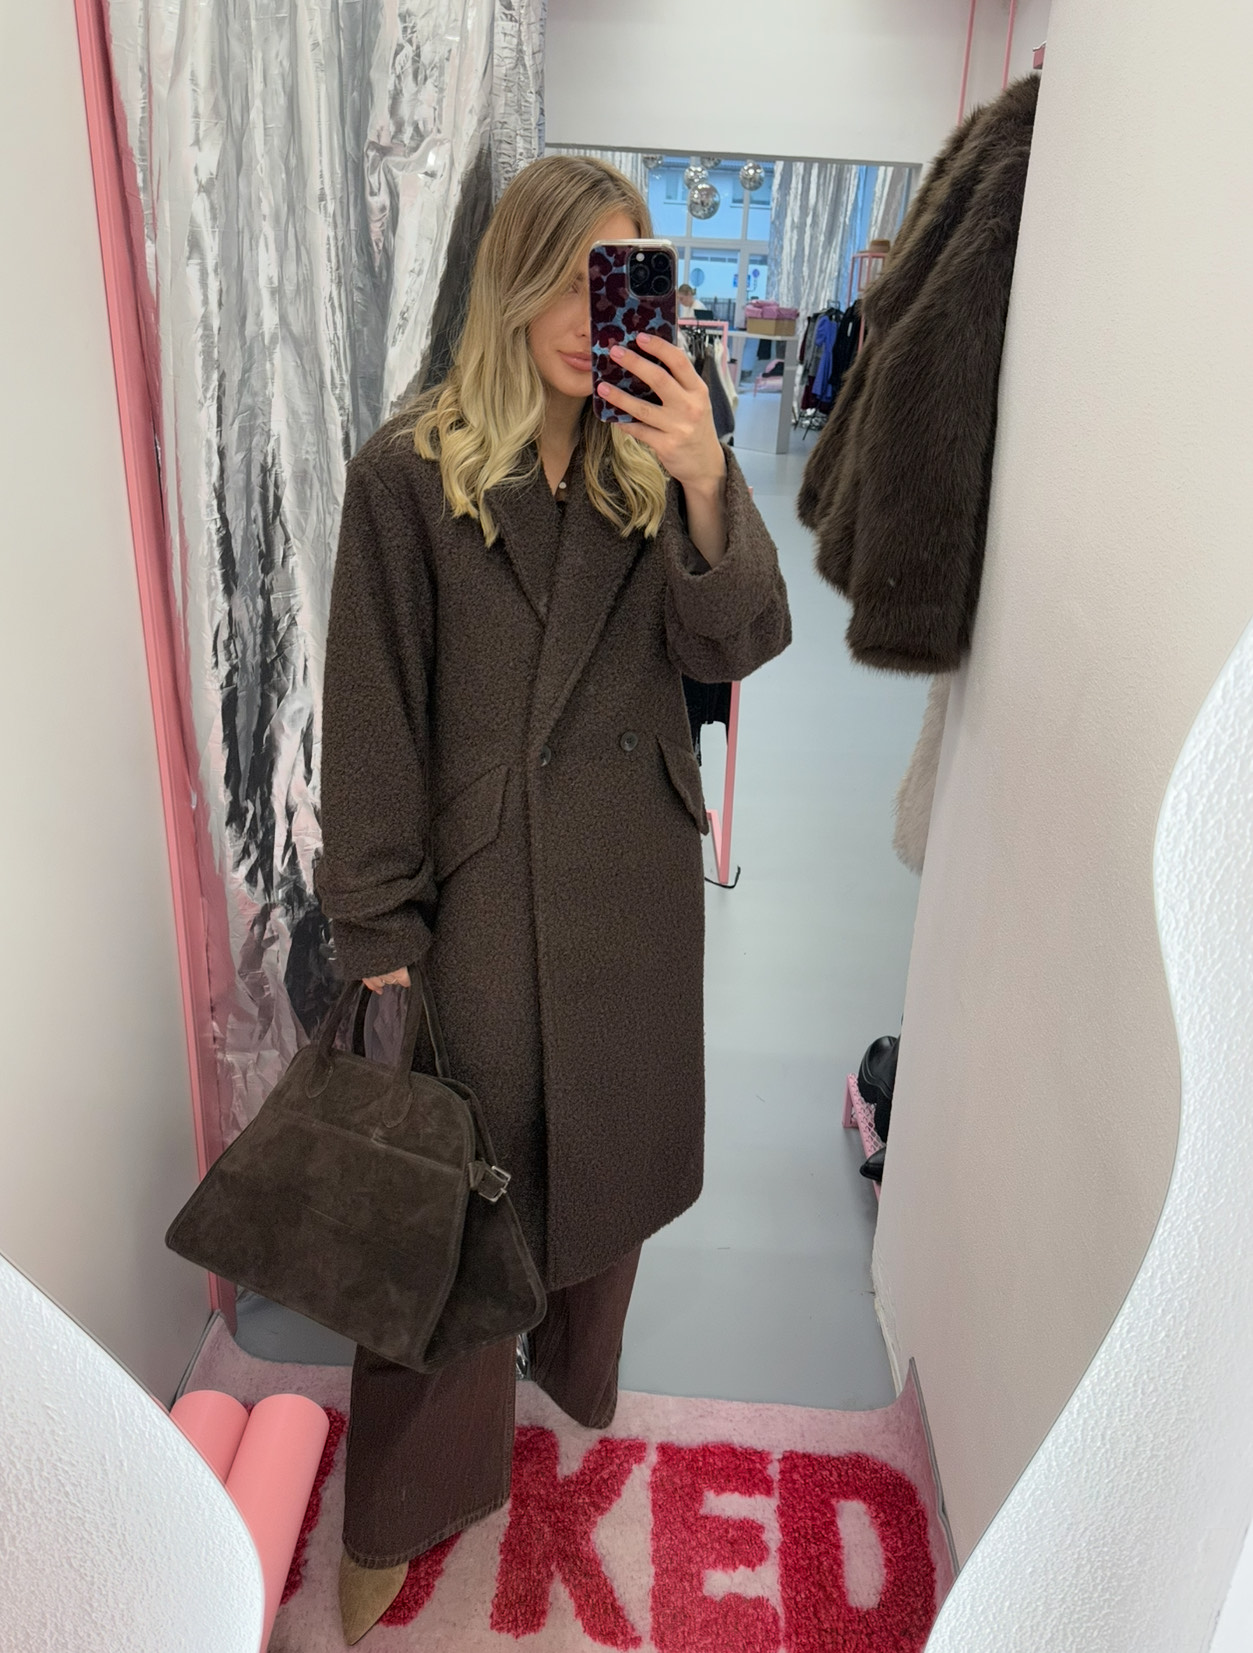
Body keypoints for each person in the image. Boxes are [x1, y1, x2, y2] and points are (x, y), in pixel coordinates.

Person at [313, 153, 791, 1644]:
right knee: (453, 1212)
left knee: (603, 1163)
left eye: (623, 281)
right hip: (482, 900)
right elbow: (372, 718)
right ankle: (402, 1500)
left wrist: (707, 476)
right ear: (512, 285)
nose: (596, 317)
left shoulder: (659, 465)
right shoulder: (411, 473)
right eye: (569, 280)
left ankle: (571, 1375)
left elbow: (737, 648)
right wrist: (377, 933)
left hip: (626, 889)